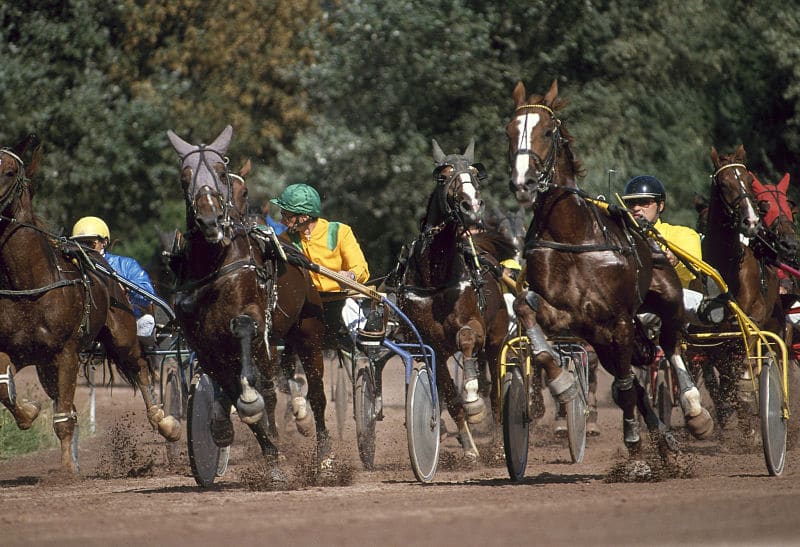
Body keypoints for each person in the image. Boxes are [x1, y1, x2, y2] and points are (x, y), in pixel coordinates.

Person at [270, 183, 376, 346]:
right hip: (303, 306)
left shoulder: (341, 232)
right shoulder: (284, 240)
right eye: (282, 214)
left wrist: (350, 275)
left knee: (365, 335)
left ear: (304, 217)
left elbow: (361, 269)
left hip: (339, 302)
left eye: (286, 215)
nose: (282, 221)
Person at [622, 175, 727, 325]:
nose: (636, 208)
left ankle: (709, 309)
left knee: (669, 296)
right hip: (629, 303)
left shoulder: (683, 234)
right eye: (631, 203)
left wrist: (676, 262)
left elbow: (693, 274)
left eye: (644, 202)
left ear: (660, 206)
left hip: (670, 303)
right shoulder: (618, 238)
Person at [70, 217, 159, 368]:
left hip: (126, 324)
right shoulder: (71, 267)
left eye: (90, 244)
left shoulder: (126, 265)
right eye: (80, 244)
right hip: (85, 327)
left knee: (147, 322)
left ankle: (141, 359)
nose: (85, 249)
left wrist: (126, 291)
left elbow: (147, 296)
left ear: (104, 242)